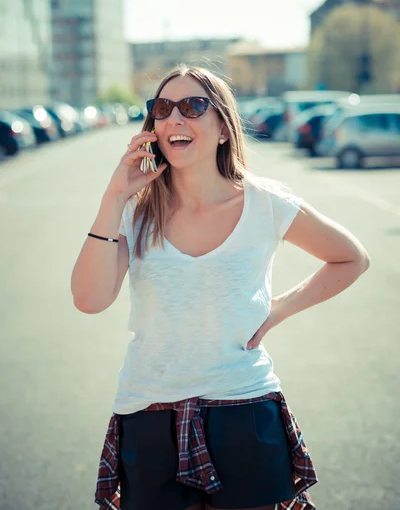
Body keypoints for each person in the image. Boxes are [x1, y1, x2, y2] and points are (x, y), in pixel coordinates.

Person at [71, 65, 370, 510]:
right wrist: (113, 198)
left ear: (224, 128)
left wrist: (279, 308)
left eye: (193, 106)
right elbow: (90, 300)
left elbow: (351, 258)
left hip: (243, 406)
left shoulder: (266, 202)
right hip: (149, 411)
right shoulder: (135, 212)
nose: (175, 118)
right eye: (162, 108)